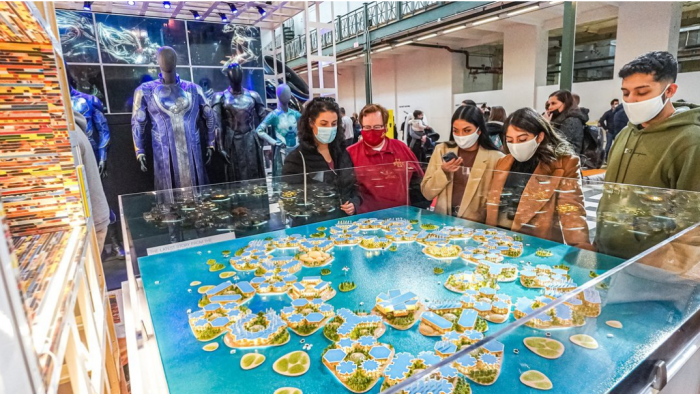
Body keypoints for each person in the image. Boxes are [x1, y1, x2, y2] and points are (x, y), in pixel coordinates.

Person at [596, 51, 700, 259]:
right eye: (626, 93)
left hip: (652, 264)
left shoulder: (690, 141)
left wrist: (668, 265)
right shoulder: (626, 133)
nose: (631, 100)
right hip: (607, 252)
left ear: (669, 90)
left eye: (642, 93)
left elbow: (692, 220)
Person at [485, 107, 591, 249]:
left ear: (540, 137)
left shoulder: (563, 164)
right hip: (499, 243)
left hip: (536, 246)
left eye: (522, 139)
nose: (515, 146)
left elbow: (571, 211)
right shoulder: (503, 162)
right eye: (510, 140)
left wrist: (580, 248)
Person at [421, 106, 503, 221]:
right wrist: (443, 172)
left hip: (475, 225)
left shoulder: (496, 158)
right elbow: (427, 193)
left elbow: (498, 203)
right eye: (456, 130)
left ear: (479, 130)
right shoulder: (442, 150)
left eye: (467, 130)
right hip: (443, 221)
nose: (461, 135)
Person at [283, 97, 360, 217]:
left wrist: (354, 204)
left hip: (344, 225)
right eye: (324, 124)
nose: (329, 128)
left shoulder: (342, 153)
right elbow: (290, 201)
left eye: (334, 124)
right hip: (315, 227)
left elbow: (354, 187)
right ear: (311, 123)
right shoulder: (296, 159)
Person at [347, 104, 426, 213]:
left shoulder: (401, 148)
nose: (371, 131)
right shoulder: (350, 153)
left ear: (386, 127)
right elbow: (346, 189)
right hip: (366, 221)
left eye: (377, 127)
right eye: (367, 127)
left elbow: (419, 180)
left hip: (402, 218)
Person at [72, 109, 110, 251]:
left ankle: (115, 244)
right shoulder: (72, 125)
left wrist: (103, 157)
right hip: (94, 214)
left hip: (94, 216)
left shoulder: (89, 101)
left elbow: (103, 130)